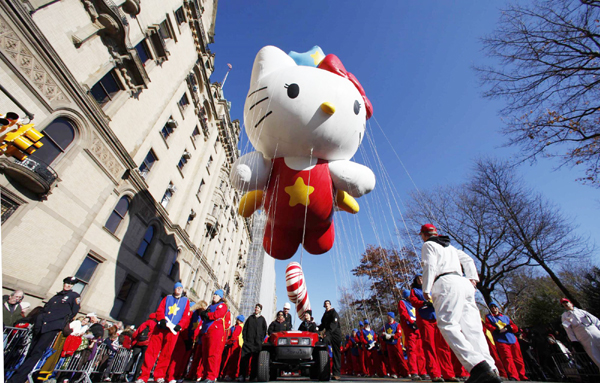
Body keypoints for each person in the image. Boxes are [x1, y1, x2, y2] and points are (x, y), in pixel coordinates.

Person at [418, 223, 500, 383]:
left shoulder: (428, 245)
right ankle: (491, 368)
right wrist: (473, 278)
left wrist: (426, 288)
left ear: (423, 235)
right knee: (473, 328)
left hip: (446, 282)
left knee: (448, 324)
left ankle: (477, 366)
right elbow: (468, 259)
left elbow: (430, 265)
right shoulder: (450, 247)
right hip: (464, 283)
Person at [8, 276, 81, 383]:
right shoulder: (56, 296)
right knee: (30, 351)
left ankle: (17, 379)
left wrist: (61, 323)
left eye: (71, 284)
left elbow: (74, 312)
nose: (68, 285)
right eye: (66, 283)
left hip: (52, 326)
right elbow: (46, 309)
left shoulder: (74, 296)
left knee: (36, 353)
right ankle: (17, 375)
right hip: (41, 325)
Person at [136, 282, 191, 383]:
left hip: (173, 331)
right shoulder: (167, 298)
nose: (179, 289)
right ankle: (143, 376)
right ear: (174, 289)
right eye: (177, 288)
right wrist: (161, 319)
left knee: (166, 354)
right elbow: (160, 310)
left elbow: (185, 316)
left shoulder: (185, 301)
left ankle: (159, 375)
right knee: (151, 352)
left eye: (180, 288)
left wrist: (180, 325)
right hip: (161, 328)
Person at [483, 302, 527, 381]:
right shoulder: (489, 317)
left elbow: (514, 327)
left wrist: (510, 328)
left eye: (495, 306)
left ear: (498, 308)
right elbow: (488, 325)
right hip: (501, 340)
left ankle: (522, 375)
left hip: (512, 339)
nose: (494, 308)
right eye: (492, 307)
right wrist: (496, 329)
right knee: (507, 358)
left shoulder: (505, 317)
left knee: (518, 358)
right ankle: (513, 375)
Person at [198, 289, 228, 383]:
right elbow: (205, 315)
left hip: (215, 331)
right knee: (205, 354)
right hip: (206, 330)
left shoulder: (222, 306)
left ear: (220, 297)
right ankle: (205, 375)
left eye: (216, 295)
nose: (214, 296)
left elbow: (217, 314)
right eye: (214, 294)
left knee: (212, 354)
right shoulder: (211, 306)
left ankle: (211, 376)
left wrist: (207, 315)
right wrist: (203, 314)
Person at [560, 297, 600, 368]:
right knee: (595, 356)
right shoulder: (565, 316)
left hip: (594, 332)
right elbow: (568, 330)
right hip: (583, 337)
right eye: (563, 304)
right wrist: (574, 341)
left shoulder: (582, 312)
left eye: (566, 302)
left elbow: (596, 321)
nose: (565, 305)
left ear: (571, 303)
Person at [399, 289, 427, 380]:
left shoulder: (414, 303)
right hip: (410, 329)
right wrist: (411, 322)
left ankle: (422, 372)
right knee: (412, 351)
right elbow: (404, 314)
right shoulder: (402, 303)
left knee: (421, 351)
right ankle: (414, 372)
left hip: (418, 329)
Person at [239, 303, 268, 382]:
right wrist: (245, 338)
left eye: (258, 308)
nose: (256, 309)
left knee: (255, 361)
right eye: (256, 307)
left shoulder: (262, 319)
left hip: (257, 344)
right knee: (244, 360)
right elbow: (245, 329)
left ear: (260, 310)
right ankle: (242, 375)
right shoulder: (250, 318)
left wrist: (261, 340)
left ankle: (253, 376)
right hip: (248, 342)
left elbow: (264, 330)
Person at [320, 300, 342, 380]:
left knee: (336, 353)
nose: (326, 305)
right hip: (328, 333)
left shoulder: (334, 312)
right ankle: (324, 369)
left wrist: (327, 333)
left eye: (328, 304)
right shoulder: (325, 314)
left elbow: (334, 324)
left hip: (335, 334)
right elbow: (322, 325)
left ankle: (336, 373)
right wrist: (315, 327)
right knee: (324, 344)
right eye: (325, 304)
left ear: (330, 305)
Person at [382, 312, 409, 378]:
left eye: (389, 316)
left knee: (400, 358)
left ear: (392, 317)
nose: (388, 317)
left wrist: (391, 337)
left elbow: (399, 334)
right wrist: (384, 337)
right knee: (392, 359)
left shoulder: (397, 325)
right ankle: (394, 372)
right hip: (389, 344)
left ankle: (405, 372)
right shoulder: (386, 325)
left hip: (396, 344)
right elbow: (383, 334)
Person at [222, 315, 245, 381]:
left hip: (235, 345)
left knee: (231, 360)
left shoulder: (239, 327)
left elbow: (234, 336)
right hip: (237, 345)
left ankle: (230, 375)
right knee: (234, 361)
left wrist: (228, 342)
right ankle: (230, 374)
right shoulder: (239, 326)